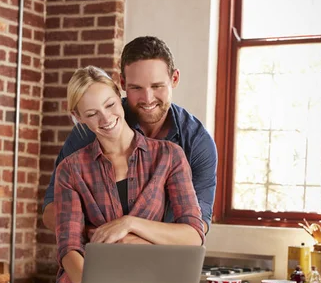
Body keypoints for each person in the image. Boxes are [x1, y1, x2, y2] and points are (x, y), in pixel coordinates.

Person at [43, 36, 217, 242]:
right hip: (96, 257)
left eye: (157, 86)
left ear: (175, 79)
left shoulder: (196, 143)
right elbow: (51, 211)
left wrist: (130, 227)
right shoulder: (93, 129)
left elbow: (199, 225)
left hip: (162, 261)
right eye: (136, 88)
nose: (148, 98)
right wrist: (103, 236)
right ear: (123, 84)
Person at [55, 66, 204, 283]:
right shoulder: (71, 169)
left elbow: (193, 235)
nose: (105, 118)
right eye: (92, 113)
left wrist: (129, 225)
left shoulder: (169, 156)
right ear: (78, 115)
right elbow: (69, 246)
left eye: (110, 105)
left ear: (118, 94)